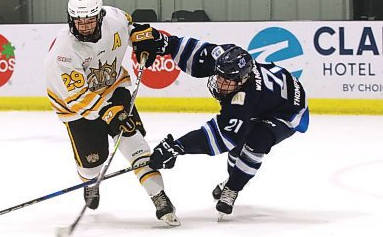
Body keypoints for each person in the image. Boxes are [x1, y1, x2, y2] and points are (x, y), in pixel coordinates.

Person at [130, 25, 309, 219]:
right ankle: (232, 178)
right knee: (240, 139)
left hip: (289, 111)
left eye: (228, 81)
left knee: (256, 141)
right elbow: (195, 52)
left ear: (242, 80)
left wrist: (177, 147)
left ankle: (232, 189)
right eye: (220, 77)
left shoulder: (244, 98)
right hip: (267, 100)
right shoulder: (225, 58)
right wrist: (162, 42)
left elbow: (222, 136)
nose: (221, 83)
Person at [44, 0, 179, 226]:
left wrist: (139, 36)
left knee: (133, 140)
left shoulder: (114, 17)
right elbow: (77, 98)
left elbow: (130, 25)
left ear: (100, 16)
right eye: (78, 21)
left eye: (89, 20)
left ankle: (158, 196)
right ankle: (90, 183)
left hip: (114, 88)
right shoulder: (62, 54)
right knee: (91, 164)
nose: (84, 26)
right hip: (75, 108)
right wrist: (109, 114)